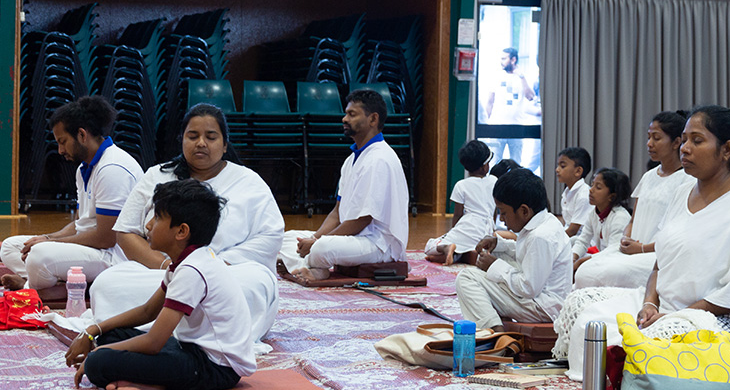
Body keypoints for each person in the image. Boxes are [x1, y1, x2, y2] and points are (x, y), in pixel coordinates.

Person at [554, 105, 730, 378]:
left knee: (655, 340)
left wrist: (674, 316)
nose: (685, 148)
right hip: (667, 306)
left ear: (727, 149)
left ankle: (622, 375)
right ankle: (610, 372)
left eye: (697, 141)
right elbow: (659, 263)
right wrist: (650, 303)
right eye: (684, 140)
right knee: (582, 309)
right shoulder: (682, 191)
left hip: (725, 317)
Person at [89, 104, 283, 344]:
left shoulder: (249, 182)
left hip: (225, 275)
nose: (201, 143)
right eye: (193, 136)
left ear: (224, 144)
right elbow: (125, 232)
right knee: (107, 284)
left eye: (210, 137)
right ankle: (150, 333)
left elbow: (270, 237)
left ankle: (184, 337)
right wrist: (167, 267)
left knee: (251, 286)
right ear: (182, 140)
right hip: (159, 275)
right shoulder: (157, 175)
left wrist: (215, 266)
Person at [65, 180, 255, 390]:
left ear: (181, 231)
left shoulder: (192, 270)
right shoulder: (186, 262)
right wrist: (93, 330)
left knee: (98, 363)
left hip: (216, 368)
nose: (148, 225)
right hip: (191, 350)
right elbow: (147, 311)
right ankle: (154, 380)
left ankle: (158, 383)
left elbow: (153, 343)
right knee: (110, 335)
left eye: (157, 218)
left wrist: (97, 354)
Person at [1, 96, 141, 290]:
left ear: (82, 135)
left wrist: (50, 242)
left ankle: (38, 288)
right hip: (92, 248)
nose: (60, 150)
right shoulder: (84, 168)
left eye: (63, 141)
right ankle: (45, 283)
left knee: (39, 255)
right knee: (10, 247)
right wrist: (47, 238)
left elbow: (107, 238)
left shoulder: (112, 168)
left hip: (113, 256)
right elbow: (80, 224)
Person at [279, 89, 409, 281]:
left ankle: (309, 266)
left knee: (322, 247)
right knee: (288, 238)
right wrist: (314, 238)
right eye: (346, 113)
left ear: (373, 119)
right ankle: (313, 268)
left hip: (379, 245)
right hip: (354, 239)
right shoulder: (351, 160)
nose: (344, 119)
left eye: (352, 114)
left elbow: (362, 220)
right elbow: (337, 213)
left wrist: (318, 242)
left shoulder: (380, 159)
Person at [574, 111, 693, 290]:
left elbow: (679, 234)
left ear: (676, 142)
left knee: (602, 274)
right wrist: (626, 238)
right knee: (584, 271)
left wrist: (642, 248)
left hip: (655, 253)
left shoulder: (687, 180)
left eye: (656, 138)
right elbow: (633, 220)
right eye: (648, 137)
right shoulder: (648, 176)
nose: (649, 143)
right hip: (632, 249)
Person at [455, 168, 572, 330]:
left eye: (503, 213)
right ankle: (494, 317)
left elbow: (528, 288)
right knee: (499, 254)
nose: (502, 219)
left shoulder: (540, 236)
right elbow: (526, 253)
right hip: (541, 298)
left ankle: (495, 332)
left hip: (543, 308)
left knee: (466, 278)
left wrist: (493, 265)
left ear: (524, 211)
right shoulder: (545, 221)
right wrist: (498, 244)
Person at [424, 140, 497, 265]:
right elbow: (494, 211)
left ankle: (447, 248)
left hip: (467, 228)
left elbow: (457, 215)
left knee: (430, 246)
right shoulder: (494, 181)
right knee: (470, 248)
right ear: (484, 166)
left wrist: (454, 234)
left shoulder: (461, 185)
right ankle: (465, 254)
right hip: (487, 233)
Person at [570, 168, 631, 278]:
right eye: (592, 185)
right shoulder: (593, 213)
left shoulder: (620, 217)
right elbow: (583, 241)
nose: (591, 190)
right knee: (573, 242)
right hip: (603, 258)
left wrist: (583, 261)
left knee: (581, 272)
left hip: (618, 264)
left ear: (612, 196)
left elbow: (614, 252)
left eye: (598, 187)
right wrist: (573, 258)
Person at [484, 47, 535, 162]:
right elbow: (490, 101)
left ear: (513, 60)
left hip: (517, 125)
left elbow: (530, 96)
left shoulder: (523, 76)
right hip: (497, 125)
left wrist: (522, 77)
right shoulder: (497, 76)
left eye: (504, 58)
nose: (501, 61)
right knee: (494, 161)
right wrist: (487, 124)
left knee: (516, 162)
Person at [555, 147, 592, 237]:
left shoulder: (583, 194)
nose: (557, 170)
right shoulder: (567, 192)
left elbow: (573, 230)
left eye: (562, 166)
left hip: (581, 239)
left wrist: (556, 239)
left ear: (578, 171)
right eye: (558, 165)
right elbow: (567, 223)